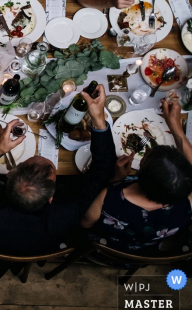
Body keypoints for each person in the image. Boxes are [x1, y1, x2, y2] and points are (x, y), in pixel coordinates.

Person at [0, 84, 115, 256]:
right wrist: (98, 118)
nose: (45, 161)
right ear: (51, 198)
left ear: (10, 174)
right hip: (38, 248)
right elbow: (104, 169)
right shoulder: (67, 215)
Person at [82, 100, 192, 253]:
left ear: (139, 176)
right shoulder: (186, 204)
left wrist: (117, 179)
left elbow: (85, 223)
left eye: (146, 157)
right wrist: (174, 125)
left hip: (105, 249)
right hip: (145, 253)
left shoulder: (110, 196)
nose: (146, 151)